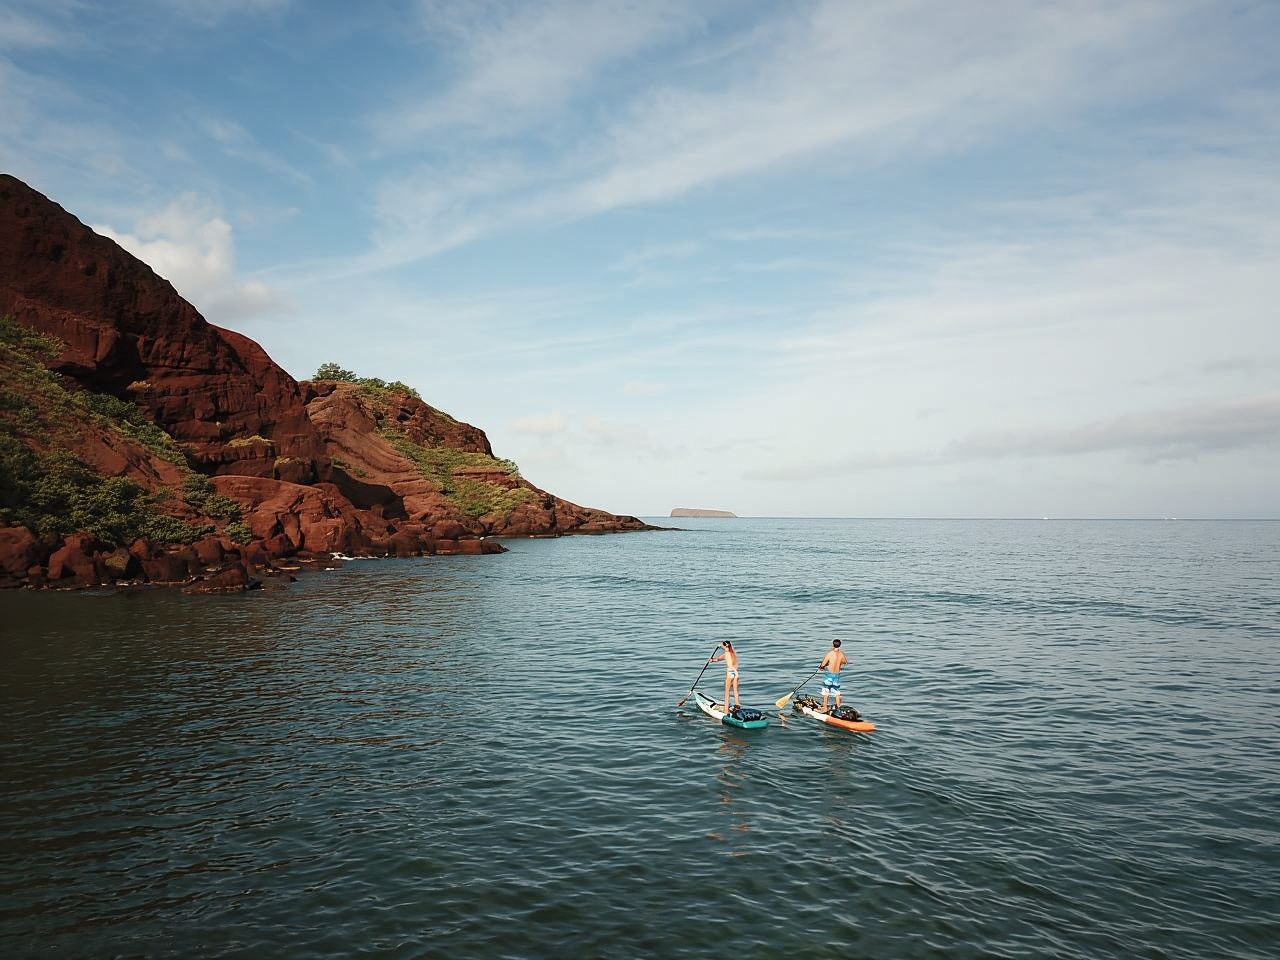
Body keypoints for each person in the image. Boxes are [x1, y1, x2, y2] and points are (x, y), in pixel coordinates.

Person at [708, 640, 740, 713]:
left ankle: (726, 710)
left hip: (730, 672)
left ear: (725, 647)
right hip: (736, 673)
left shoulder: (726, 653)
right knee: (735, 690)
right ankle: (737, 705)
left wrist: (719, 645)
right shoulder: (733, 652)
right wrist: (713, 660)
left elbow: (722, 655)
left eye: (723, 647)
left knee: (727, 692)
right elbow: (719, 658)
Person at [820, 639, 847, 713]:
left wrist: (821, 667)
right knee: (836, 692)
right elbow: (845, 662)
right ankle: (838, 708)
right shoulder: (841, 654)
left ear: (833, 645)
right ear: (840, 645)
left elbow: (823, 664)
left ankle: (825, 708)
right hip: (837, 675)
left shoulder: (829, 653)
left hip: (829, 675)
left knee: (826, 691)